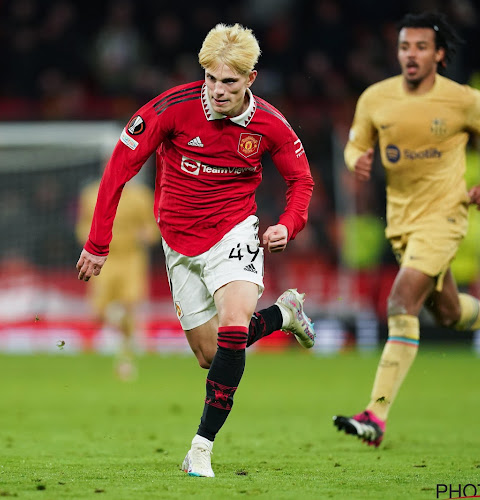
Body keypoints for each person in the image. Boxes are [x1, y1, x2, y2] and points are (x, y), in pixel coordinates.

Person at [76, 23, 315, 477]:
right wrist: (98, 243)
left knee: (232, 328)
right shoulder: (170, 109)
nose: (218, 91)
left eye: (229, 81)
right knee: (211, 354)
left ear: (251, 79)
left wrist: (288, 223)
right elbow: (118, 169)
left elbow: (300, 181)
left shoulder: (270, 124)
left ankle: (201, 448)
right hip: (179, 243)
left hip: (235, 232)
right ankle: (284, 315)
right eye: (211, 79)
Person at [334, 12, 480, 448]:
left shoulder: (464, 100)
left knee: (401, 301)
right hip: (402, 223)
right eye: (405, 47)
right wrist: (354, 161)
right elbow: (355, 143)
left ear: (438, 54)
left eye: (420, 47)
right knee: (448, 312)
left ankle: (375, 414)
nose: (411, 55)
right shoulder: (376, 98)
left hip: (446, 217)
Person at [75, 177, 159, 381]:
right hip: (104, 258)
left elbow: (153, 227)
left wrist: (146, 235)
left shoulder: (141, 196)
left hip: (131, 257)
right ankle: (116, 321)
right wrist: (91, 239)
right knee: (99, 312)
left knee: (130, 304)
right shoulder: (91, 194)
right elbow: (83, 225)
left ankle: (126, 357)